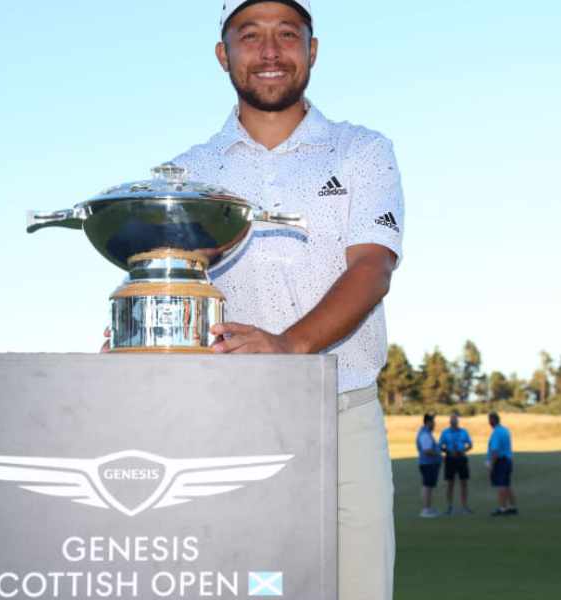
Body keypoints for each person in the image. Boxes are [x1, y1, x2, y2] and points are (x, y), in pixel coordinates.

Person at [167, 2, 404, 598]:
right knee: (251, 591)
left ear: (312, 50)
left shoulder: (362, 150)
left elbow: (373, 268)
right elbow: (176, 293)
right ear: (224, 55)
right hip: (232, 422)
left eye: (286, 35)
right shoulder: (185, 174)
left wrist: (288, 345)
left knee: (360, 589)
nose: (270, 52)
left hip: (343, 409)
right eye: (250, 36)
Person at [438, 413, 473, 515]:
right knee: (450, 484)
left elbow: (470, 444)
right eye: (452, 421)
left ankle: (464, 507)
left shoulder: (464, 432)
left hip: (461, 458)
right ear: (450, 422)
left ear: (458, 422)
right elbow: (440, 445)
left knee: (464, 483)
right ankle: (450, 507)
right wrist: (448, 451)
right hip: (450, 459)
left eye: (455, 421)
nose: (454, 423)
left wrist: (464, 450)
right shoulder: (445, 432)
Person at [487, 413, 517, 516]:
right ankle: (512, 506)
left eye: (489, 420)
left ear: (493, 420)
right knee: (507, 484)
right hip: (508, 460)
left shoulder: (496, 433)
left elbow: (495, 450)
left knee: (501, 485)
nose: (489, 422)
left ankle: (502, 508)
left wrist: (491, 464)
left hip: (500, 461)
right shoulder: (505, 430)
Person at [416, 415, 441, 518]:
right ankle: (426, 510)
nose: (434, 424)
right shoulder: (425, 434)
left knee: (429, 486)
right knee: (427, 487)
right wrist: (439, 454)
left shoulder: (426, 433)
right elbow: (427, 451)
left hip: (429, 464)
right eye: (433, 422)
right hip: (428, 464)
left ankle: (428, 508)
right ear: (428, 422)